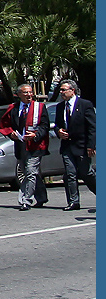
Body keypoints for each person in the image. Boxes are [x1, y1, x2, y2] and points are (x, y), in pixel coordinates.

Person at [0, 83, 50, 210]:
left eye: (30, 92)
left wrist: (35, 135)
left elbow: (45, 126)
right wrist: (11, 134)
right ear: (19, 94)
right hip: (21, 146)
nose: (29, 95)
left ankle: (25, 200)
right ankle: (41, 197)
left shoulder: (40, 107)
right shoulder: (14, 108)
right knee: (32, 173)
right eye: (25, 92)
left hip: (36, 145)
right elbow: (5, 125)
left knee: (30, 172)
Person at [55, 79, 96, 211]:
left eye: (63, 90)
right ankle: (73, 201)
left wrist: (91, 145)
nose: (61, 92)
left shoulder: (85, 104)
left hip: (82, 146)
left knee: (86, 173)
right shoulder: (60, 106)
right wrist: (59, 131)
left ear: (72, 91)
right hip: (67, 146)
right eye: (60, 90)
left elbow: (92, 127)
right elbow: (57, 125)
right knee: (69, 174)